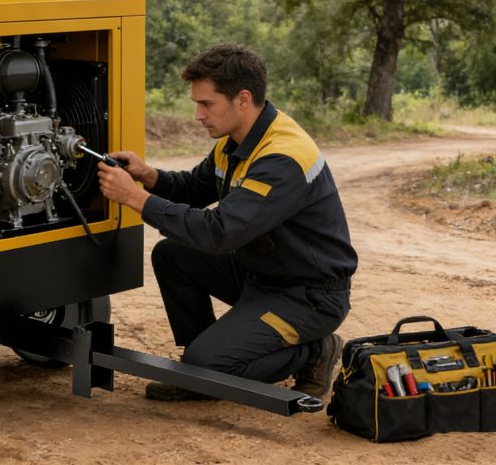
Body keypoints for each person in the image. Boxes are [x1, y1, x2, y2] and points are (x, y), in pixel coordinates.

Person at [97, 43, 356, 400]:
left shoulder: (282, 157)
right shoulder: (238, 140)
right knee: (172, 254)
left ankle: (313, 352)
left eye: (206, 104)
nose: (198, 115)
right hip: (264, 274)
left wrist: (135, 198)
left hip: (308, 296)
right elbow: (194, 187)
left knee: (207, 367)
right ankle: (201, 361)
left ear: (242, 100)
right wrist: (147, 175)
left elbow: (219, 233)